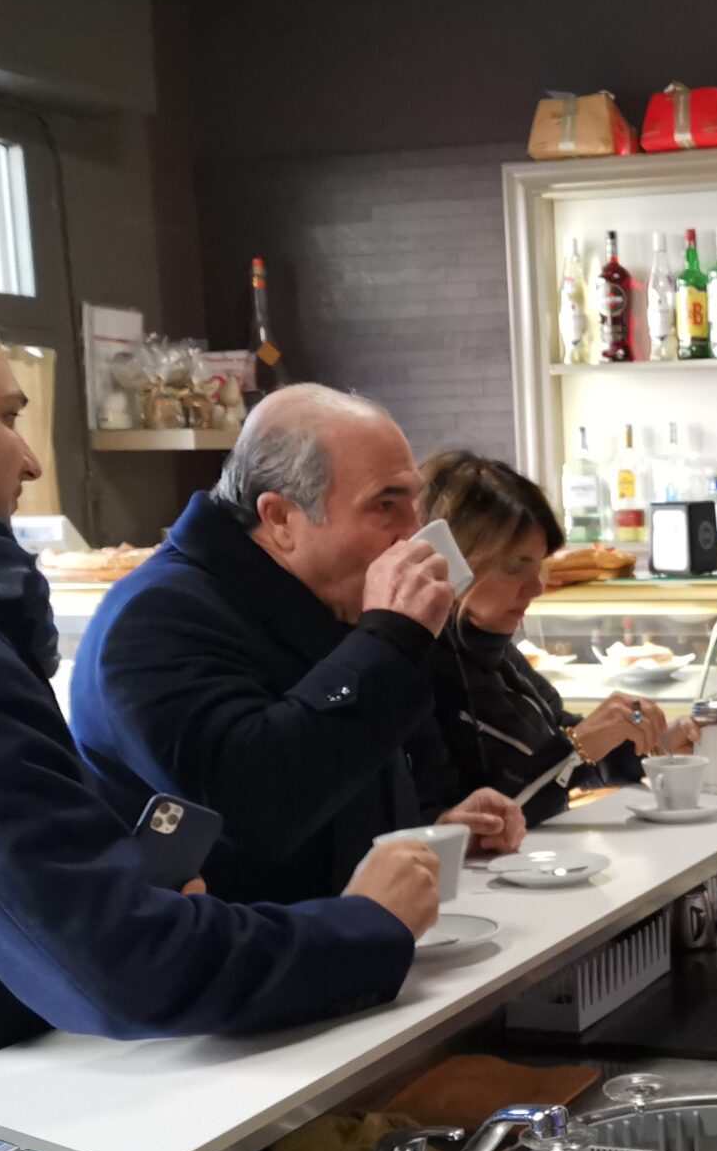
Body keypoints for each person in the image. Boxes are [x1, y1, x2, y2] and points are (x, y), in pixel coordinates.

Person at [0, 273, 439, 1089]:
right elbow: (126, 965)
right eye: (8, 416)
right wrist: (366, 926)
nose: (28, 458)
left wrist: (117, 875)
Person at [71, 386, 526, 904]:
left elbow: (333, 776)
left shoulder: (321, 596)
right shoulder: (156, 620)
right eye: (385, 505)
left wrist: (434, 827)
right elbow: (258, 809)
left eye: (414, 506)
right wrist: (391, 639)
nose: (414, 534)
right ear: (281, 518)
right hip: (239, 949)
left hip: (345, 939)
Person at [407, 449, 700, 825]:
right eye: (515, 567)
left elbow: (567, 755)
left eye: (539, 566)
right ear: (454, 561)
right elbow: (473, 818)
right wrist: (578, 747)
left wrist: (658, 744)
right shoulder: (417, 673)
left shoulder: (497, 651)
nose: (536, 588)